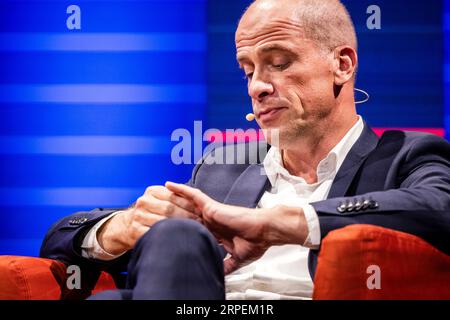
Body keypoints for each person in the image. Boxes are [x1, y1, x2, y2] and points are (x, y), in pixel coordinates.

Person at [40, 0, 450, 300]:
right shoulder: (224, 167)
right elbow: (58, 241)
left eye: (279, 62)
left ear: (342, 65)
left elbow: (437, 207)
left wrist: (275, 224)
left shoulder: (406, 155)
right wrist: (124, 227)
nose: (257, 86)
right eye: (248, 69)